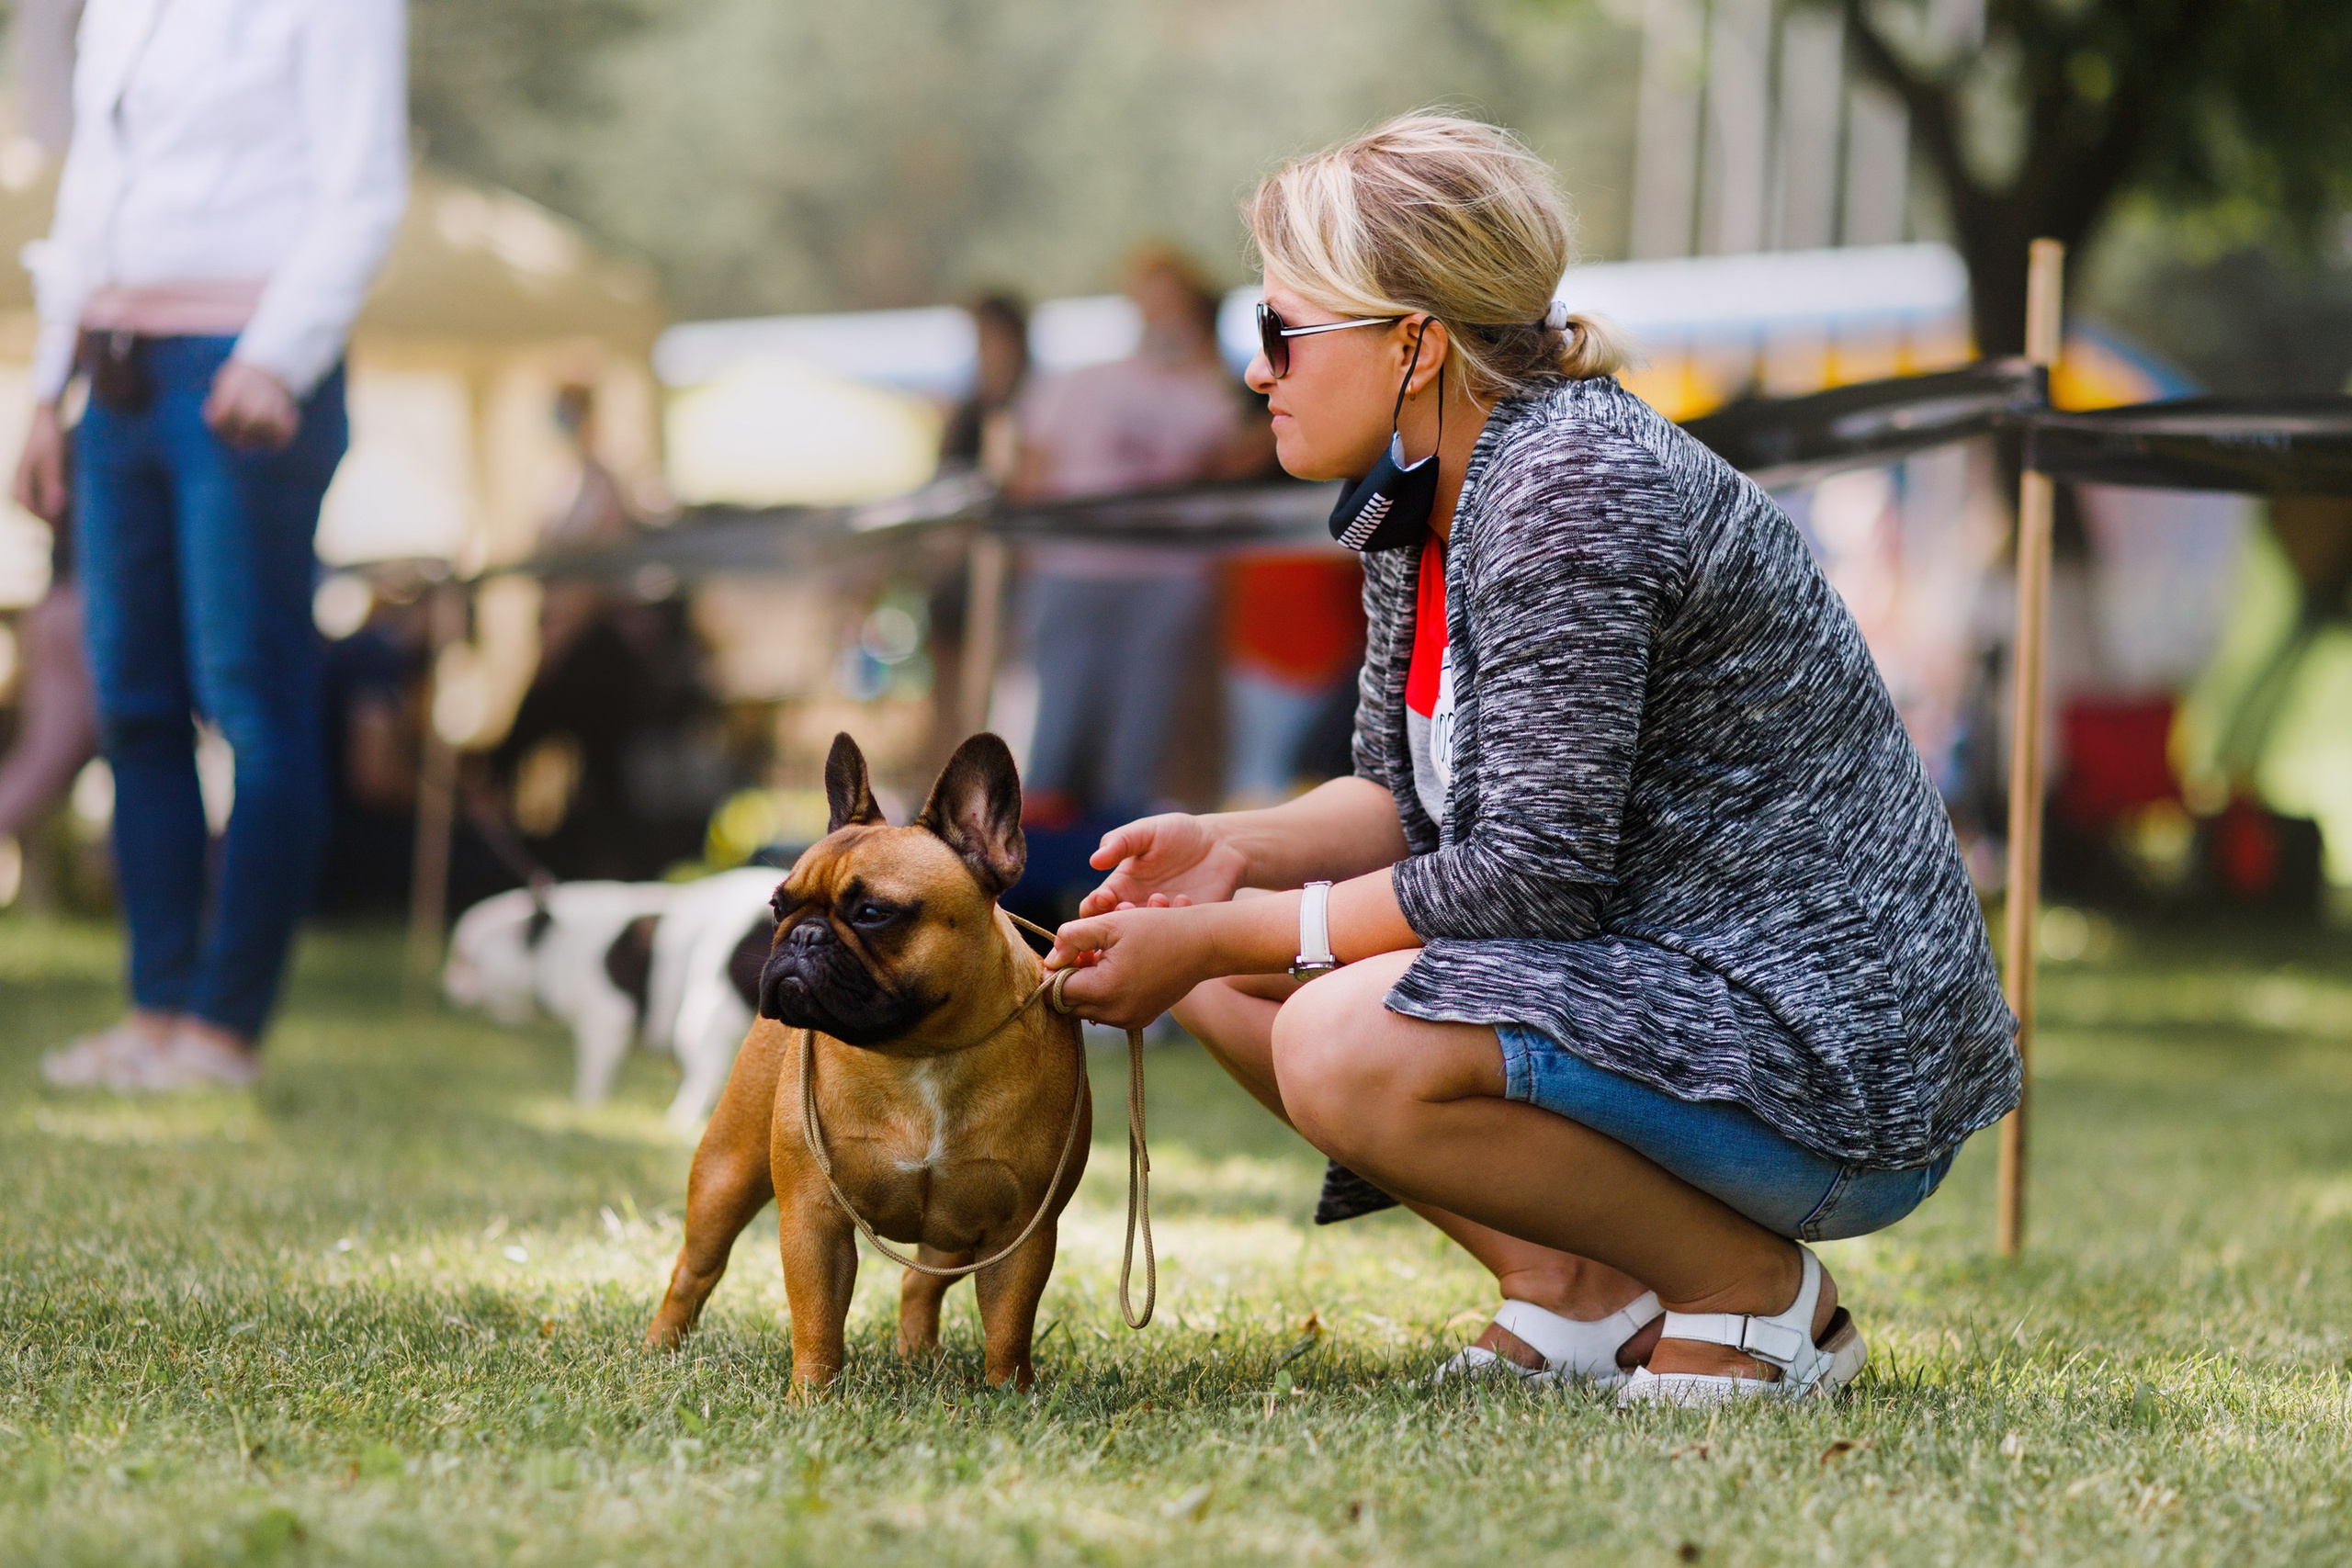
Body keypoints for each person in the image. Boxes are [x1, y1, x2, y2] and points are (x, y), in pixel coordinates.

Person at [1041, 115, 2018, 1404]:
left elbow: (1531, 875)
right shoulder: (1425, 492)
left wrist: (1243, 927)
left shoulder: (1570, 486)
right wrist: (1226, 852)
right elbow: (1402, 802)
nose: (1255, 372)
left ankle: (1760, 1302)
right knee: (1213, 950)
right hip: (1671, 993)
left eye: (1280, 331)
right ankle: (1577, 1293)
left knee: (1332, 1031)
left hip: (1828, 1053)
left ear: (1413, 343)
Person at [19, 0, 410, 1092]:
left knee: (250, 701)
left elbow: (364, 189)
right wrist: (48, 386)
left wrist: (278, 356)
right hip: (117, 371)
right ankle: (155, 1014)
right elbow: (93, 188)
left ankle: (223, 1031)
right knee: (133, 702)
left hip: (247, 365)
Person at [1010, 245, 1270, 821]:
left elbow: (1234, 459)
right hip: (1076, 570)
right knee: (1058, 730)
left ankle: (1114, 848)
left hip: (1162, 579)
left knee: (1140, 736)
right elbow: (1030, 471)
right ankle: (1041, 856)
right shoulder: (1080, 381)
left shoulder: (1207, 392)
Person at [939, 292, 1029, 482]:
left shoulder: (1037, 404)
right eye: (983, 339)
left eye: (995, 338)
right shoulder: (969, 412)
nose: (987, 351)